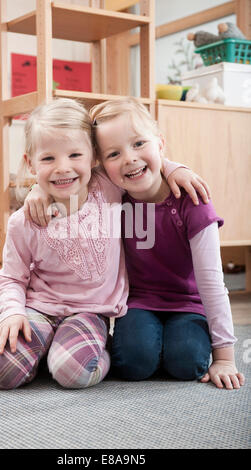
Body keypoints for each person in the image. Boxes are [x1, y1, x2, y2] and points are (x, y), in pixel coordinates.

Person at [0, 98, 207, 391]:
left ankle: (81, 350)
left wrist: (174, 168)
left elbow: (140, 165)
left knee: (73, 373)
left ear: (93, 158)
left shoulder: (108, 186)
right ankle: (44, 351)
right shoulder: (23, 220)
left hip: (89, 311)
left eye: (75, 154)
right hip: (38, 308)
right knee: (1, 372)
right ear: (30, 163)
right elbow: (12, 277)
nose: (62, 168)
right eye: (48, 159)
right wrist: (12, 313)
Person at [89, 97, 245, 390]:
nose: (129, 159)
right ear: (103, 166)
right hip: (139, 301)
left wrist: (224, 357)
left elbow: (212, 282)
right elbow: (76, 177)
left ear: (160, 144)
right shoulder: (113, 196)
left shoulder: (193, 200)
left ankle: (173, 346)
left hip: (189, 302)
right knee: (133, 363)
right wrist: (36, 192)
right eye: (113, 154)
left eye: (138, 144)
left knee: (187, 362)